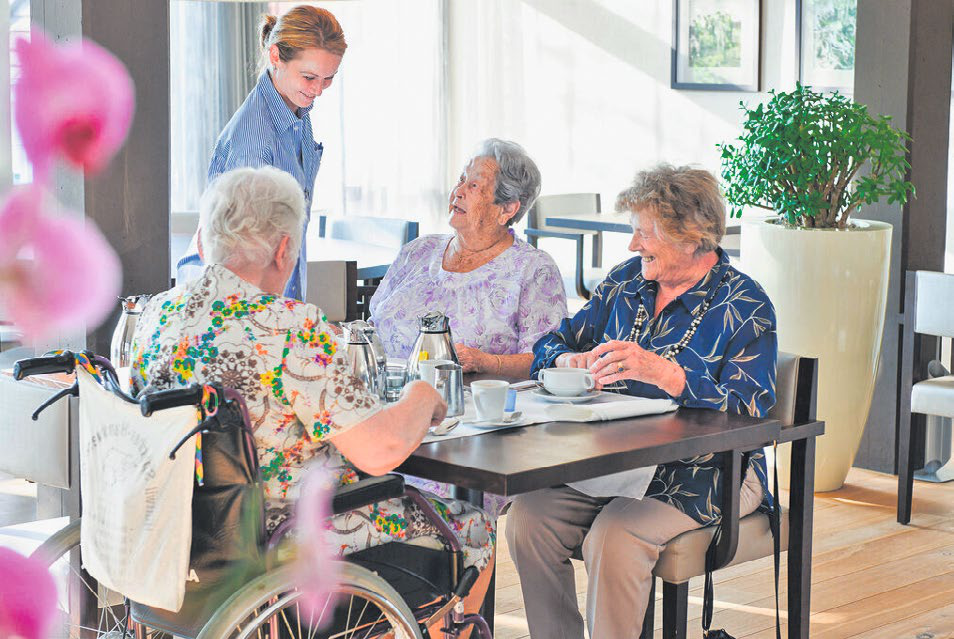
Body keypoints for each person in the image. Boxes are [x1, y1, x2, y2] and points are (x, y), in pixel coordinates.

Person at [131, 167, 495, 613]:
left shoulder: (155, 315)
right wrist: (421, 395)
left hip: (178, 533)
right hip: (278, 542)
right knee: (472, 525)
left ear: (204, 241)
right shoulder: (291, 327)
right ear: (285, 249)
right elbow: (380, 451)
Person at [506, 164, 778, 638]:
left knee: (616, 534)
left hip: (711, 470)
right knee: (529, 518)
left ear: (691, 235)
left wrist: (673, 377)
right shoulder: (626, 283)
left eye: (644, 233)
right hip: (611, 463)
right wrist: (569, 359)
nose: (633, 246)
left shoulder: (744, 303)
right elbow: (550, 344)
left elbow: (752, 410)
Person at [176, 5, 346, 301]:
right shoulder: (254, 141)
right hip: (233, 306)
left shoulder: (297, 108)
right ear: (276, 56)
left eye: (328, 78)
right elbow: (246, 259)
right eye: (309, 77)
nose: (319, 90)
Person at [369, 138, 568, 378]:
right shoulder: (419, 250)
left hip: (472, 404)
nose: (458, 192)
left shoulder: (533, 269)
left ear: (507, 209)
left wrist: (485, 362)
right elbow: (375, 324)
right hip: (385, 393)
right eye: (462, 179)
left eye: (474, 186)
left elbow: (546, 358)